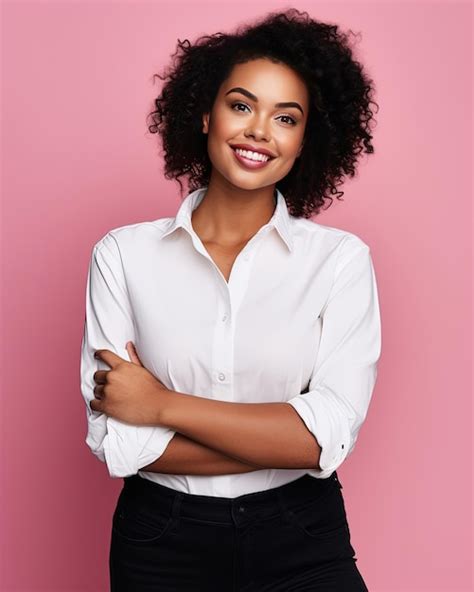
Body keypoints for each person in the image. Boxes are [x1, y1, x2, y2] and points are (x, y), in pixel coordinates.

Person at [80, 8, 381, 591]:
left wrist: (162, 406)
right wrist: (287, 438)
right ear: (204, 113)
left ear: (305, 139)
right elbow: (117, 439)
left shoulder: (340, 261)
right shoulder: (122, 255)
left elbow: (328, 435)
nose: (259, 130)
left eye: (285, 117)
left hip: (302, 532)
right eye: (241, 105)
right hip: (160, 541)